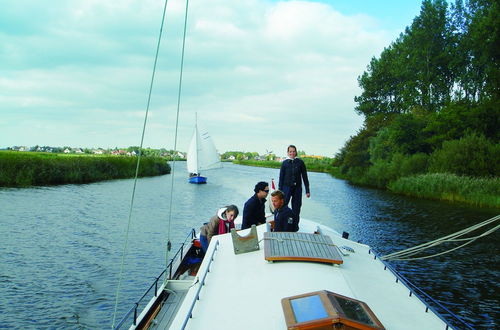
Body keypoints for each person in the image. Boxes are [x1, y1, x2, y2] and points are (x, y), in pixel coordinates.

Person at [278, 145, 310, 221]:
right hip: (286, 188)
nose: (292, 153)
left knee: (296, 207)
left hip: (297, 189)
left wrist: (307, 190)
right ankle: (282, 222)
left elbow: (305, 177)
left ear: (296, 152)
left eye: (293, 151)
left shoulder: (300, 162)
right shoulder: (284, 163)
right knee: (283, 206)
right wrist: (279, 190)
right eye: (290, 151)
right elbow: (281, 177)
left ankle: (294, 226)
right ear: (288, 153)